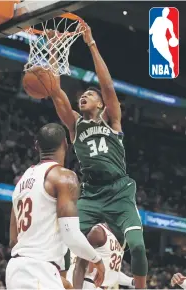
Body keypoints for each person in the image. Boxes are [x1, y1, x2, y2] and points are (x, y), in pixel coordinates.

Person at [50, 23, 148, 288]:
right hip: (91, 193)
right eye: (82, 94)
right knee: (73, 244)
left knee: (137, 248)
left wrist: (91, 44)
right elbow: (56, 93)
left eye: (90, 95)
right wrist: (52, 53)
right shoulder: (75, 124)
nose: (84, 96)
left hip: (119, 191)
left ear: (101, 104)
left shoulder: (112, 121)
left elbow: (107, 85)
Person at [6, 123, 105, 290]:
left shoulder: (21, 183)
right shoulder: (64, 177)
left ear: (37, 146)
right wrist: (97, 259)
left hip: (16, 269)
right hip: (39, 270)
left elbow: (13, 240)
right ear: (65, 144)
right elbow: (71, 235)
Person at [69, 223, 134, 289]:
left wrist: (131, 281)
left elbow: (112, 273)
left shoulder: (118, 244)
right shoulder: (99, 232)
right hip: (89, 284)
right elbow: (80, 265)